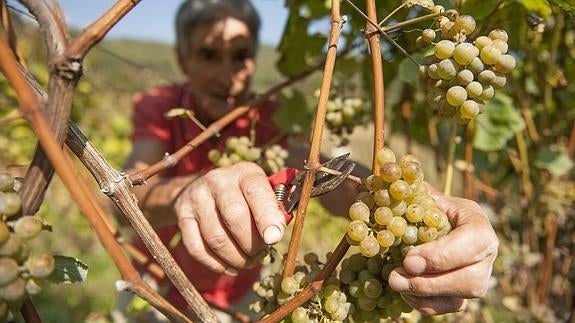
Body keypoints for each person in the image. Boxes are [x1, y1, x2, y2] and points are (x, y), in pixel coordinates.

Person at [123, 0, 499, 319]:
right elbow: (133, 191)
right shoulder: (159, 106)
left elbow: (321, 172)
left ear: (254, 61)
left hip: (238, 302)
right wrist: (185, 192)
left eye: (240, 56)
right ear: (182, 59)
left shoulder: (270, 116)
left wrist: (421, 203)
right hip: (152, 289)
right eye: (209, 54)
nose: (227, 75)